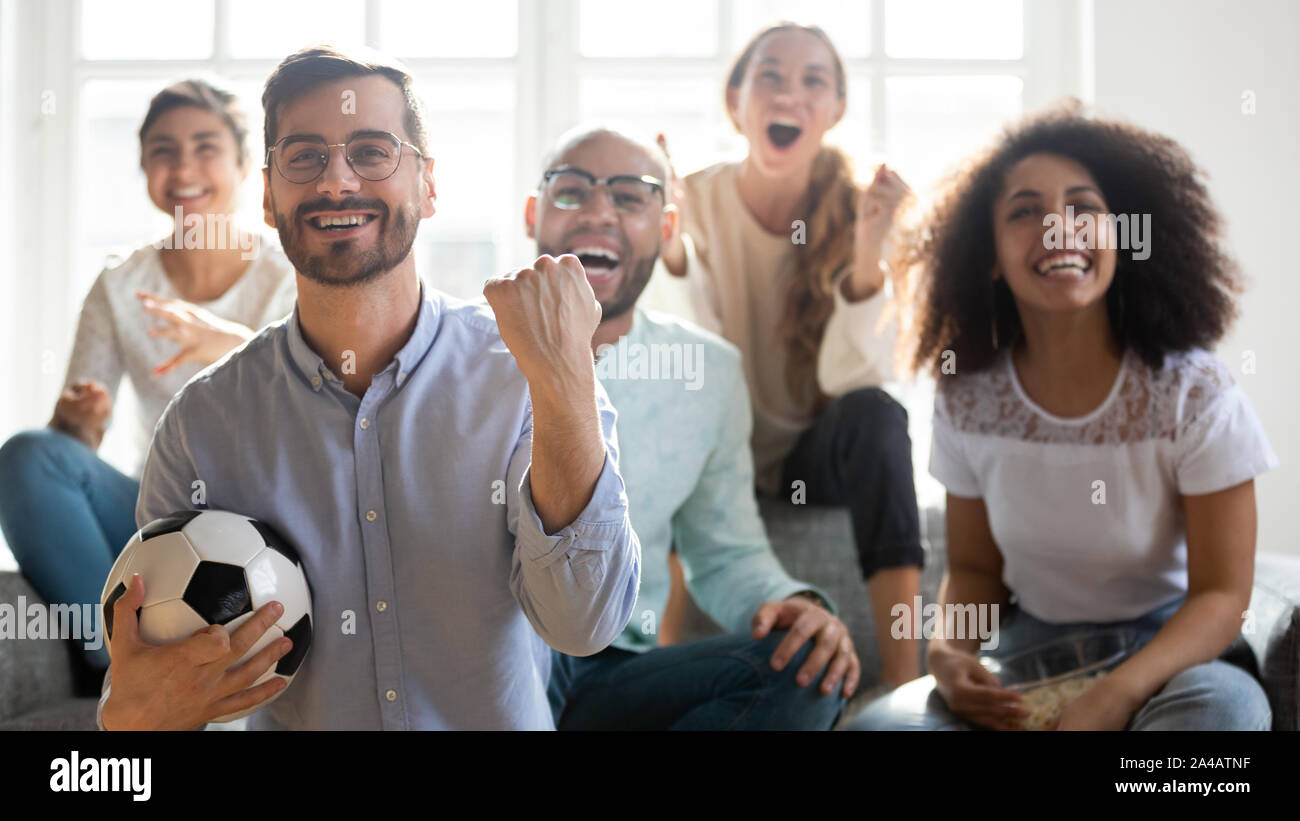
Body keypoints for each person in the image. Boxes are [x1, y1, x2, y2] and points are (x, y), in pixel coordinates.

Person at [98, 44, 640, 731]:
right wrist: (131, 723)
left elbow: (583, 621)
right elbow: (155, 697)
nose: (336, 181)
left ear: (428, 184)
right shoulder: (200, 426)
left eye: (372, 151)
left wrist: (564, 382)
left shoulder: (528, 371)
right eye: (304, 157)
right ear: (267, 194)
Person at [851, 102, 1277, 731]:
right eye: (1025, 212)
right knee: (877, 729)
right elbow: (974, 571)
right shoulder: (967, 397)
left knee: (1225, 724)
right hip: (1032, 654)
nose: (1058, 229)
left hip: (1174, 657)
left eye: (1083, 209)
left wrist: (1116, 696)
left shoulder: (1194, 392)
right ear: (988, 254)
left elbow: (1222, 597)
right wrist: (947, 650)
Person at [529, 126, 858, 729]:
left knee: (808, 664)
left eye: (630, 197)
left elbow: (725, 554)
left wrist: (799, 604)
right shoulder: (463, 347)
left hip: (614, 671)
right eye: (572, 192)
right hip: (499, 656)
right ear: (534, 215)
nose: (600, 211)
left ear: (667, 228)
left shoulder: (707, 372)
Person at [658, 22, 922, 687]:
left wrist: (867, 258)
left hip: (812, 450)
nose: (789, 95)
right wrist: (668, 248)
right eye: (769, 76)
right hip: (720, 441)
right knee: (661, 408)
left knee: (879, 414)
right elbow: (687, 350)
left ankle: (906, 679)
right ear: (736, 101)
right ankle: (655, 662)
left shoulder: (863, 210)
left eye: (813, 82)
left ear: (835, 110)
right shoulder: (689, 200)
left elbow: (853, 379)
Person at [0, 78, 296, 672]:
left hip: (277, 516)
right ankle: (125, 674)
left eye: (205, 146)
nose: (183, 165)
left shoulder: (291, 271)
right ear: (143, 167)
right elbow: (75, 442)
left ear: (244, 167)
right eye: (163, 149)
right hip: (159, 514)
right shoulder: (119, 284)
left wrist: (234, 348)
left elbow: (328, 404)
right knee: (29, 456)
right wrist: (74, 424)